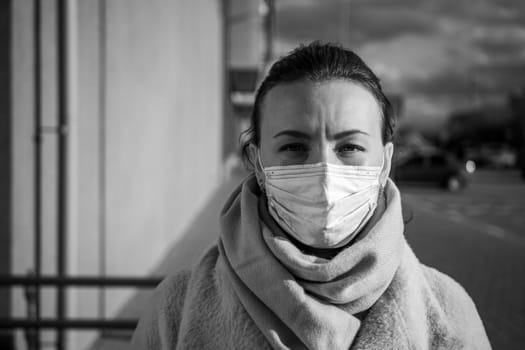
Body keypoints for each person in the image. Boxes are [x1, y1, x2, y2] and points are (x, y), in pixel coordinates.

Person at [130, 42, 491, 350]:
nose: (324, 171)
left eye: (349, 146)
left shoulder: (448, 312)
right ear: (258, 162)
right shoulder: (176, 308)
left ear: (385, 162)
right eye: (293, 146)